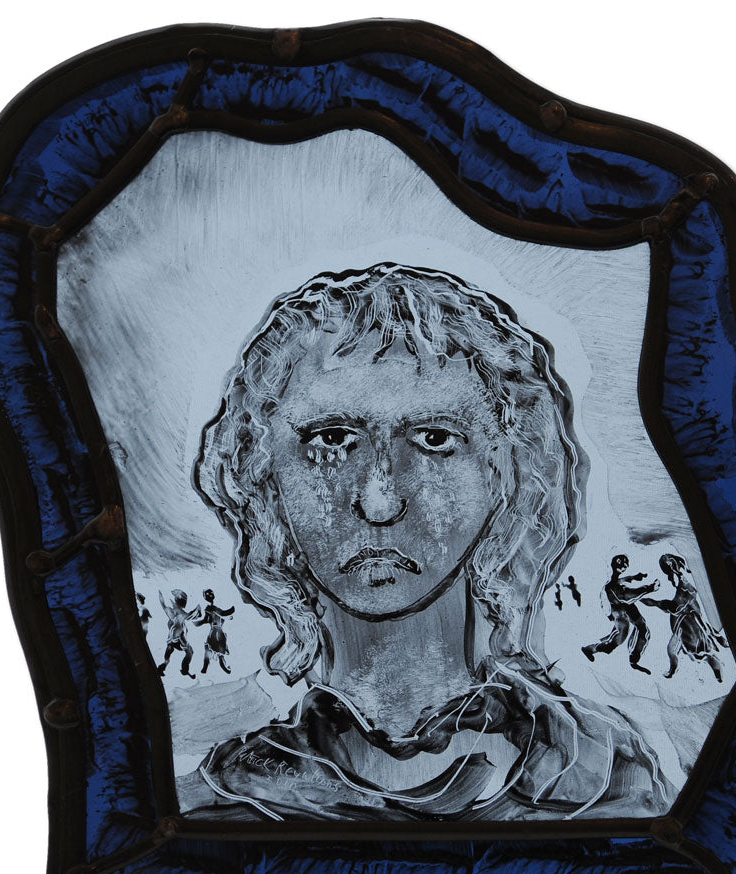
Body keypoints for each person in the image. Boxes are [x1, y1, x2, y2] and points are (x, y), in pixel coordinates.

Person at [181, 263, 672, 821]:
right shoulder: (228, 801)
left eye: (435, 439)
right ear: (264, 475)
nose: (380, 502)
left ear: (507, 472)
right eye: (331, 439)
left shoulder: (602, 776)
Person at [641, 553, 727, 682]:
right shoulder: (682, 589)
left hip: (690, 625)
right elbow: (659, 603)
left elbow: (660, 603)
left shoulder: (681, 594)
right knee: (681, 650)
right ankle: (677, 668)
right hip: (690, 623)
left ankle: (713, 670)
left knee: (680, 650)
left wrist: (643, 597)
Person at [582, 555, 659, 674]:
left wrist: (634, 577)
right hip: (618, 609)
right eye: (623, 566)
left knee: (642, 627)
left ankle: (634, 659)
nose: (625, 568)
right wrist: (649, 588)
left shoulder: (614, 581)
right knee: (619, 637)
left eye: (625, 566)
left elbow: (620, 583)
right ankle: (591, 649)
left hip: (623, 605)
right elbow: (625, 596)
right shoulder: (611, 586)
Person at [158, 589, 200, 678]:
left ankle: (163, 667)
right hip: (179, 635)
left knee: (169, 650)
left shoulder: (170, 610)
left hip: (172, 636)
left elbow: (163, 605)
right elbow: (189, 616)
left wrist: (160, 595)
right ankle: (184, 669)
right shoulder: (180, 612)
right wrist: (197, 610)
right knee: (190, 652)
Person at [196, 588, 235, 675]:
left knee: (211, 649)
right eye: (209, 594)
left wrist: (197, 623)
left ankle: (205, 668)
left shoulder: (209, 608)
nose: (210, 595)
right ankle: (207, 668)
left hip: (214, 631)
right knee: (218, 652)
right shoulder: (212, 608)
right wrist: (233, 609)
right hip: (217, 632)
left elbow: (206, 620)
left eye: (211, 593)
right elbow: (224, 613)